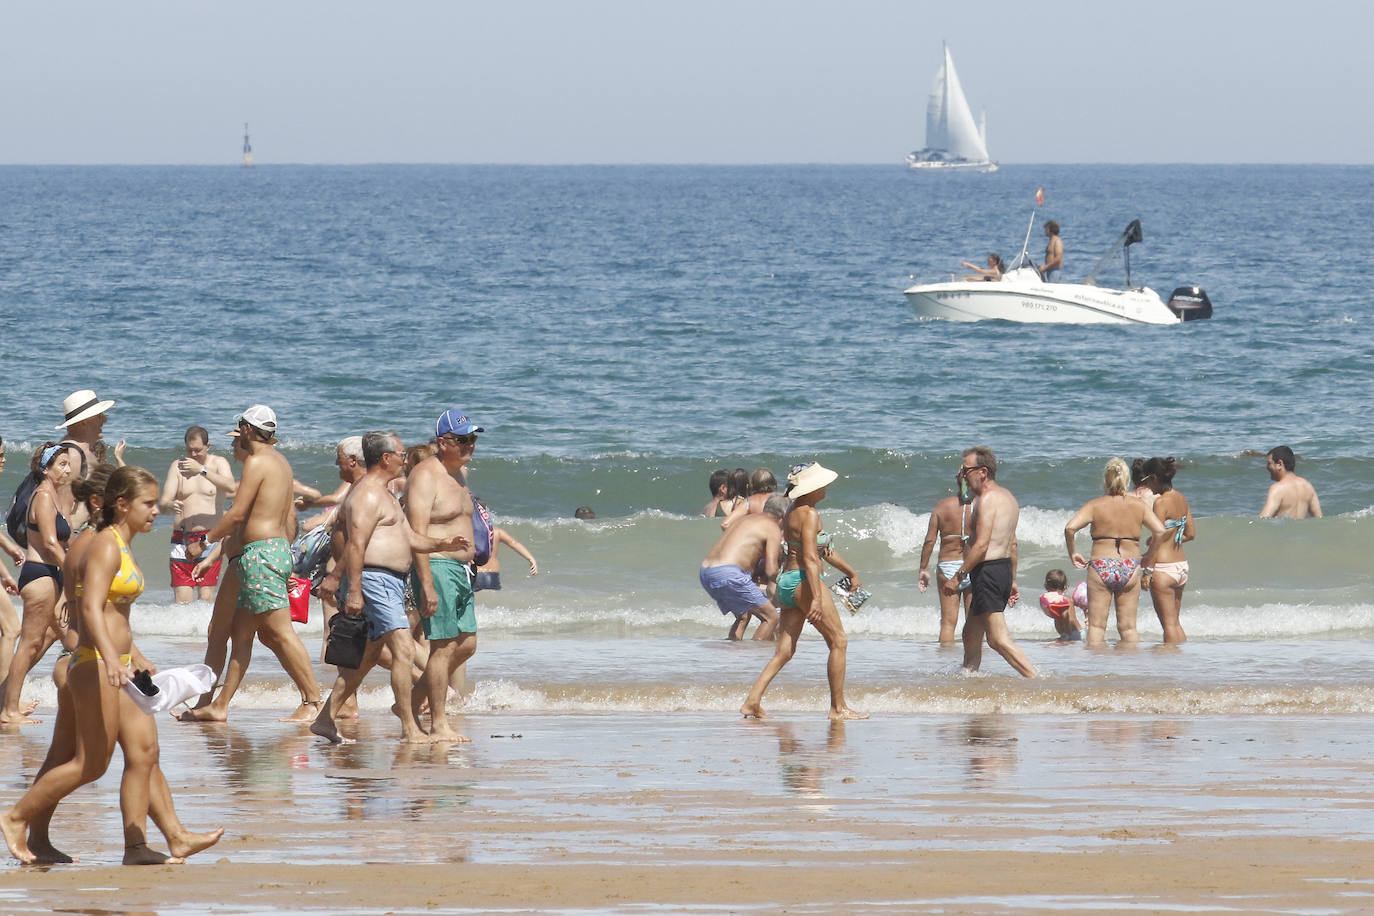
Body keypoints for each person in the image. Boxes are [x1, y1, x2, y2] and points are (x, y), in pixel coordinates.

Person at [0, 466, 223, 866]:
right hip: (96, 665)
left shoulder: (115, 541)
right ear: (119, 504)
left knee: (144, 752)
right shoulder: (103, 544)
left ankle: (147, 845)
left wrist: (132, 656)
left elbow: (106, 610)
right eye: (149, 504)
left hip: (112, 663)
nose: (158, 510)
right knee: (90, 764)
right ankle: (15, 818)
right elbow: (87, 607)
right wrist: (109, 658)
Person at [310, 431, 467, 745]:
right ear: (385, 458)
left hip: (391, 582)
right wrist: (353, 590)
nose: (404, 457)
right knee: (404, 648)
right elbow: (356, 545)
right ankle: (410, 728)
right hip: (374, 580)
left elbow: (409, 538)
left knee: (367, 657)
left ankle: (325, 719)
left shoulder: (386, 495)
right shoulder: (367, 495)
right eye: (400, 452)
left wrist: (441, 543)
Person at [179, 406, 322, 723]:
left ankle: (313, 702)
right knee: (240, 633)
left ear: (246, 429)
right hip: (261, 554)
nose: (232, 444)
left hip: (261, 556)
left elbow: (238, 514)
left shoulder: (259, 462)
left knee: (280, 632)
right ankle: (217, 705)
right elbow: (280, 518)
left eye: (235, 435)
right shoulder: (279, 462)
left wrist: (205, 543)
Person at [741, 463, 866, 720]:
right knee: (839, 642)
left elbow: (822, 551)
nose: (825, 488)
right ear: (811, 489)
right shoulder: (808, 514)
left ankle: (752, 701)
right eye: (821, 484)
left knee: (785, 650)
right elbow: (810, 558)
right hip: (804, 582)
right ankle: (837, 708)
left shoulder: (792, 512)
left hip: (787, 583)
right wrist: (817, 599)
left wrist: (851, 572)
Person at [402, 410, 483, 742]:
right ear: (442, 442)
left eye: (472, 439)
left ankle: (411, 702)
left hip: (461, 571)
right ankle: (438, 724)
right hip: (437, 566)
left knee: (467, 644)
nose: (470, 446)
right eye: (462, 440)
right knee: (443, 648)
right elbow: (416, 532)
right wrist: (426, 583)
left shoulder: (458, 474)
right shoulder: (425, 476)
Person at [942, 447, 1036, 677]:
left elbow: (981, 545)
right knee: (971, 633)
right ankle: (968, 675)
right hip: (1001, 569)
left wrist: (958, 576)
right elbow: (1012, 543)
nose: (962, 474)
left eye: (965, 470)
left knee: (997, 640)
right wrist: (1012, 579)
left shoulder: (986, 500)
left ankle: (1037, 680)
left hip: (988, 572)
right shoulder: (1008, 498)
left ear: (982, 472)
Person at [1, 444, 76, 725]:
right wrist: (73, 571)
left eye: (69, 464)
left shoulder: (55, 496)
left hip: (52, 574)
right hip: (40, 575)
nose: (67, 470)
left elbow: (65, 540)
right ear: (46, 468)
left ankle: (7, 695)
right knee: (29, 643)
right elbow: (49, 543)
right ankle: (8, 709)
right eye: (61, 465)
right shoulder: (43, 496)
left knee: (60, 633)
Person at [1064, 457, 1166, 647]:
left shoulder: (1095, 505)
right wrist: (1149, 556)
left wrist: (1073, 553)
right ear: (1126, 480)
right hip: (1130, 565)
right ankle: (1127, 672)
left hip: (1101, 564)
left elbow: (1070, 528)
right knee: (1128, 628)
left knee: (1096, 626)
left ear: (1105, 480)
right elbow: (1160, 531)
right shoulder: (1138, 505)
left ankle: (1096, 673)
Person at [159, 426, 235, 603]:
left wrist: (201, 469)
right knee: (182, 600)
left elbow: (231, 486)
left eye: (198, 450)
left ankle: (205, 631)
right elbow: (163, 504)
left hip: (208, 538)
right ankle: (184, 631)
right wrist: (169, 505)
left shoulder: (219, 463)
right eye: (189, 450)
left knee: (205, 597)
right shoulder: (177, 467)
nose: (193, 454)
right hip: (181, 538)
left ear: (208, 446)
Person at [700, 493, 787, 641]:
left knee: (743, 615)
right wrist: (789, 582)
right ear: (784, 515)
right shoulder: (772, 527)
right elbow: (771, 571)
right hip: (729, 573)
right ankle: (754, 657)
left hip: (706, 572)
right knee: (771, 617)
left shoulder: (745, 519)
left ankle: (734, 656)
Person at [1139, 456, 1194, 643]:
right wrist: (1169, 538)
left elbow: (1158, 535)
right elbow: (1191, 533)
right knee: (1175, 623)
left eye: (1146, 480)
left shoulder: (1161, 502)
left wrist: (1147, 572)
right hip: (1181, 566)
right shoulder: (1181, 498)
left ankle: (1170, 665)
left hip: (1163, 568)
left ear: (1154, 478)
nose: (1146, 486)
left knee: (1168, 625)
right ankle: (1179, 661)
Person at [917, 492, 973, 644]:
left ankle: (945, 660)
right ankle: (974, 663)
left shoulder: (942, 505)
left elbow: (930, 540)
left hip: (948, 564)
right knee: (975, 623)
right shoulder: (981, 505)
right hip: (973, 565)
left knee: (948, 623)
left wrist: (923, 568)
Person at [473, 522, 539, 592]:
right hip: (493, 575)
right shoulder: (497, 531)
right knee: (494, 601)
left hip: (476, 574)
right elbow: (514, 543)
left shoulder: (470, 532)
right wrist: (530, 558)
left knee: (477, 601)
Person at [1260, 446, 1322, 519]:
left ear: (1280, 464)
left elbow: (1263, 519)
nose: (1267, 467)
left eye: (1269, 463)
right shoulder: (1308, 486)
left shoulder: (1277, 489)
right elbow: (1319, 518)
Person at [1038, 569, 1082, 640]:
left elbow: (1067, 618)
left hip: (1072, 633)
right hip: (1073, 633)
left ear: (1046, 585)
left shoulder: (1062, 600)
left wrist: (1068, 637)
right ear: (1065, 586)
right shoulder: (1062, 599)